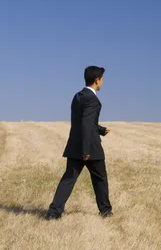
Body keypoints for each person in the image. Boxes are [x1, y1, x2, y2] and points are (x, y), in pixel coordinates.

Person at [45, 66, 113, 220]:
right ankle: (106, 211)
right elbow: (86, 124)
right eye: (102, 79)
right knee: (100, 178)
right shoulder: (92, 99)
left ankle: (53, 213)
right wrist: (86, 150)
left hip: (75, 146)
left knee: (68, 179)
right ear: (97, 80)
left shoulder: (78, 96)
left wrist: (101, 129)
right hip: (89, 148)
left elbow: (82, 122)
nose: (102, 82)